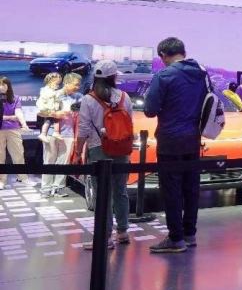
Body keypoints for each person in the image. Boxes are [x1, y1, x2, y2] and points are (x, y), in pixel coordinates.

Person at [143, 37, 209, 254]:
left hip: (170, 140)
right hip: (194, 138)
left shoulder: (164, 75)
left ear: (163, 55)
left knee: (172, 191)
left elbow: (150, 110)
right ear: (183, 52)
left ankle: (175, 238)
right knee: (191, 189)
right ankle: (190, 234)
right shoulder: (202, 73)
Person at [76, 61, 132, 250]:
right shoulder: (124, 97)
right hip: (121, 149)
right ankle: (123, 231)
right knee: (121, 190)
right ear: (114, 77)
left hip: (98, 149)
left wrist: (78, 152)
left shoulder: (88, 99)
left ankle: (105, 237)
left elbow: (83, 129)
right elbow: (129, 124)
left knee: (102, 195)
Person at [41, 73, 82, 197]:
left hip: (68, 133)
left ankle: (58, 187)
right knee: (49, 161)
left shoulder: (79, 97)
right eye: (76, 84)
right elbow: (41, 112)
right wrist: (54, 114)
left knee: (63, 162)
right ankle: (46, 188)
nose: (78, 87)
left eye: (79, 85)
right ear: (66, 83)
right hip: (52, 132)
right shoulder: (53, 94)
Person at [0, 76, 29, 189]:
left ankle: (23, 177)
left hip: (13, 129)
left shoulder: (15, 98)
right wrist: (10, 117)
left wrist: (24, 124)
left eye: (4, 84)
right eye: (0, 84)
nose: (2, 87)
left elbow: (18, 113)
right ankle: (1, 180)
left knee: (18, 154)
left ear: (8, 86)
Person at [36, 72, 63, 143]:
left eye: (58, 83)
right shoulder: (47, 89)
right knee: (49, 120)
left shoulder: (52, 89)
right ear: (51, 81)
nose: (57, 85)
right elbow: (48, 97)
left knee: (54, 120)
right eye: (56, 83)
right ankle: (43, 134)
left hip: (52, 108)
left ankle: (55, 132)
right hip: (48, 108)